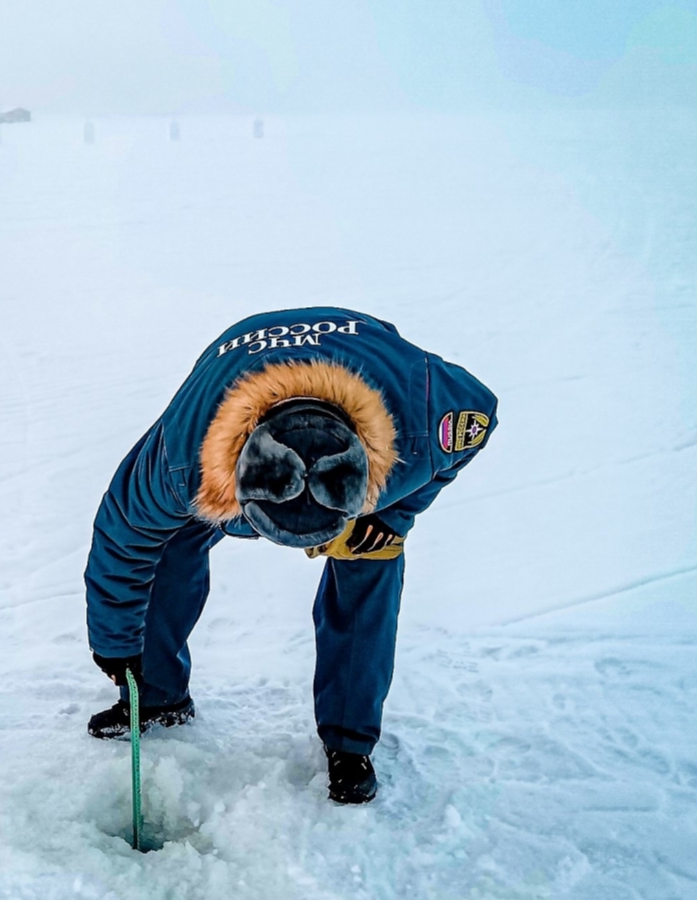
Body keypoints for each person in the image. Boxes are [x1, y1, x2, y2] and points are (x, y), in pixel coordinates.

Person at [83, 308, 496, 804]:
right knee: (168, 542)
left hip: (370, 370)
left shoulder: (425, 419)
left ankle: (350, 742)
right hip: (229, 372)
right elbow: (122, 536)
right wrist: (118, 644)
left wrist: (392, 517)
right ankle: (154, 694)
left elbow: (483, 412)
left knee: (371, 560)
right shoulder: (179, 460)